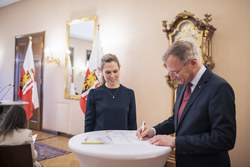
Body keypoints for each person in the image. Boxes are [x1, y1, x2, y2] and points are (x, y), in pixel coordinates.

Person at [136, 40, 236, 167]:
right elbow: (177, 120)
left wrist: (176, 142)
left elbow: (224, 139)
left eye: (175, 72)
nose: (172, 77)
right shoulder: (183, 86)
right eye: (170, 72)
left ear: (193, 63)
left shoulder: (219, 88)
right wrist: (153, 131)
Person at [85, 53, 137, 132]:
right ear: (101, 71)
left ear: (119, 68)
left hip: (122, 142)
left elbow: (132, 125)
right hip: (100, 142)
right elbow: (88, 125)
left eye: (115, 71)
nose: (112, 75)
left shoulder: (129, 94)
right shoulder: (93, 94)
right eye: (108, 72)